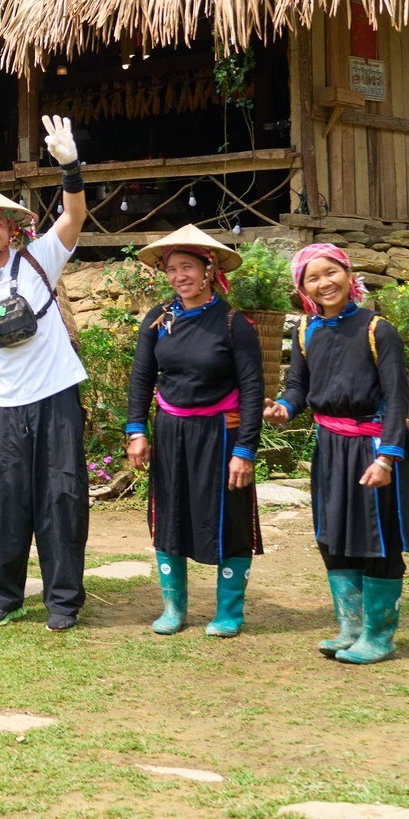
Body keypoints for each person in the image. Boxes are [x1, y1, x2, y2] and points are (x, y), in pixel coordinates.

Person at [0, 114, 90, 632]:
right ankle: (3, 594)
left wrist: (69, 167)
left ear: (14, 229)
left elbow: (74, 217)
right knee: (5, 502)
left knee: (63, 498)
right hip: (7, 405)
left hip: (56, 396)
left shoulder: (39, 261)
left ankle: (63, 600)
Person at [265, 243, 409, 665]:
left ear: (348, 274)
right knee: (332, 535)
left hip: (373, 448)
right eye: (312, 278)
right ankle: (350, 628)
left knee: (379, 539)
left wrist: (387, 458)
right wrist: (285, 406)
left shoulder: (377, 330)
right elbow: (298, 385)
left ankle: (379, 636)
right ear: (304, 287)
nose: (324, 283)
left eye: (330, 272)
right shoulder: (306, 330)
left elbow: (396, 398)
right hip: (330, 447)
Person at [124, 225, 265, 638]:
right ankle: (173, 608)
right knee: (168, 514)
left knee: (229, 517)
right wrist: (137, 429)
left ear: (209, 269)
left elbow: (253, 389)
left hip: (221, 433)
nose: (179, 276)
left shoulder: (233, 324)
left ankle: (228, 611)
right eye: (171, 269)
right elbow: (141, 377)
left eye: (187, 266)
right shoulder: (159, 319)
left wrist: (246, 450)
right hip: (170, 432)